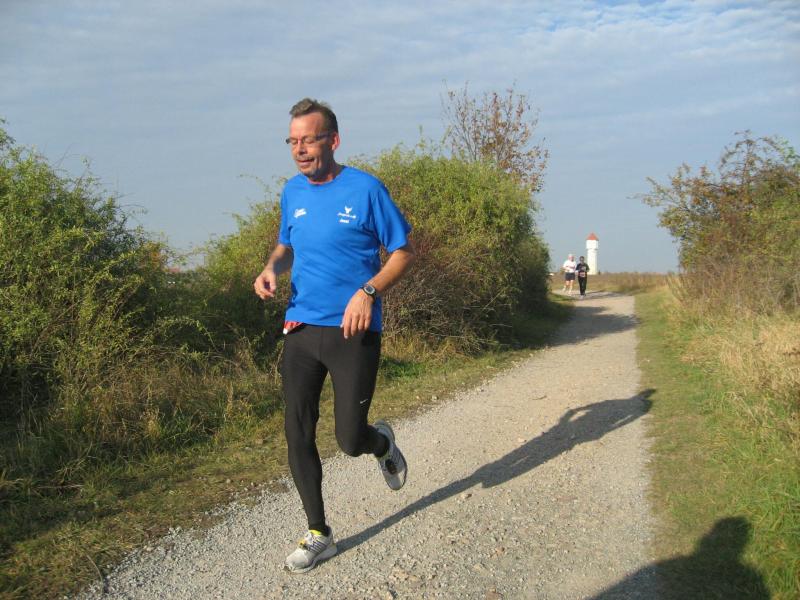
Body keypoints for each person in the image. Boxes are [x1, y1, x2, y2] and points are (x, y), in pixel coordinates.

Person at [253, 98, 416, 573]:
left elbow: (403, 252)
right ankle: (318, 533)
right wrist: (271, 267)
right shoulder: (292, 192)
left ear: (333, 140)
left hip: (353, 330)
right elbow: (286, 245)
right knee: (297, 429)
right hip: (302, 327)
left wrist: (368, 291)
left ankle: (381, 444)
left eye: (309, 139)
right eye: (293, 141)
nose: (299, 149)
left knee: (348, 438)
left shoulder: (366, 189)